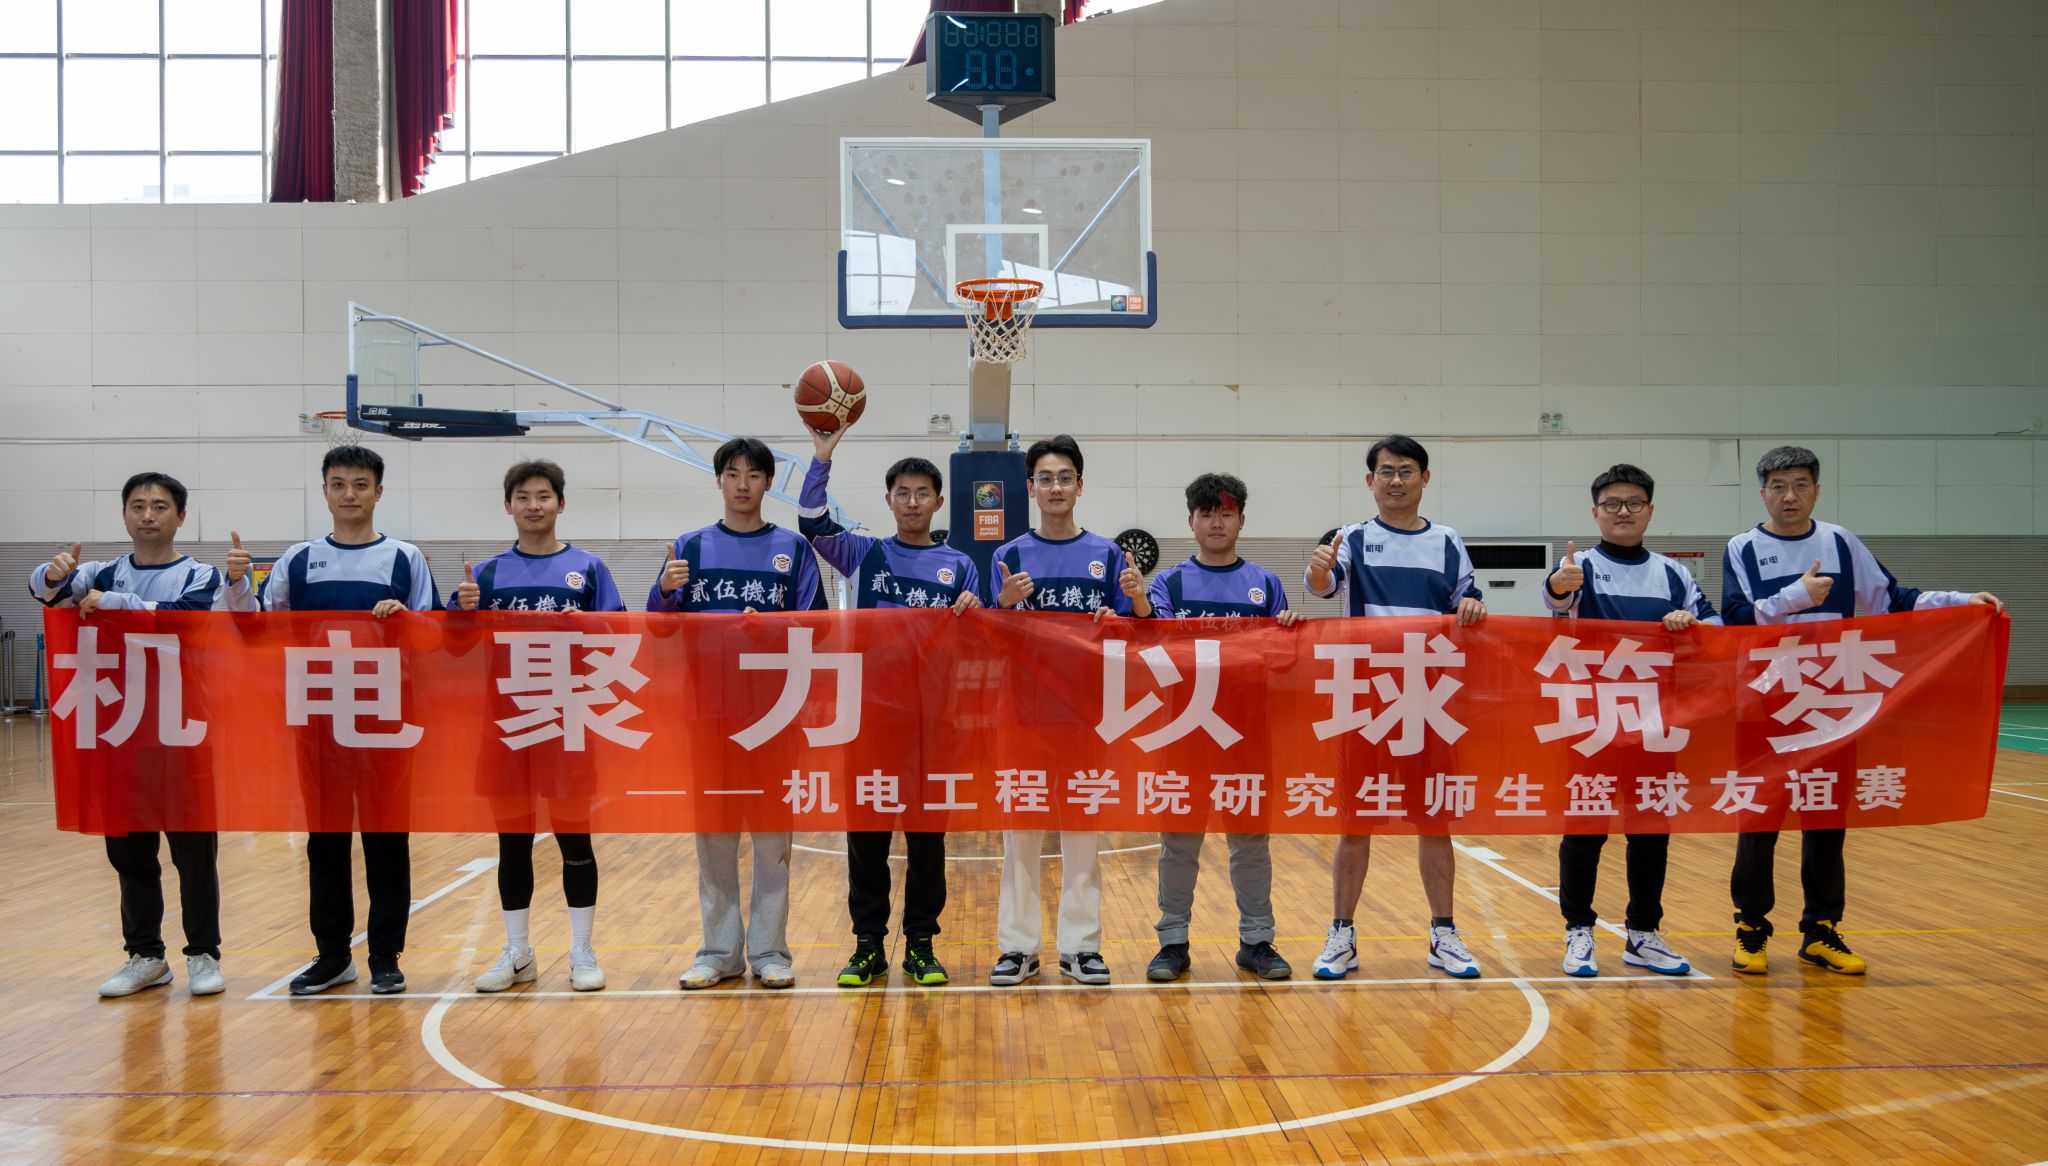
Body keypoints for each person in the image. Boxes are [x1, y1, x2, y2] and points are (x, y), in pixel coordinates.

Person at [1720, 446, 2005, 976]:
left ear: (1816, 490)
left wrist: (1960, 601)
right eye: (1778, 486)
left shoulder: (1841, 541)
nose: (1789, 496)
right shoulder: (1742, 547)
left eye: (1800, 485)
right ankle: (1751, 928)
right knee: (1759, 819)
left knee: (1827, 818)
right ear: (1762, 493)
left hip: (1832, 704)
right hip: (1765, 706)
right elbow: (1736, 619)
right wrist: (1796, 596)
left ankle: (1821, 930)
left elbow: (1891, 599)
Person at [217, 445, 441, 995]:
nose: (349, 494)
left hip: (385, 719)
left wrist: (407, 620)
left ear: (378, 492)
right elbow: (256, 627)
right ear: (324, 492)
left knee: (386, 840)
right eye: (338, 484)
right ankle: (333, 955)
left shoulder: (405, 557)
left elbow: (435, 635)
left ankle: (385, 956)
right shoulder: (298, 559)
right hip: (318, 717)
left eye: (360, 484)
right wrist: (238, 584)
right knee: (326, 841)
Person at [797, 425, 981, 987]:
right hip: (871, 717)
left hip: (934, 722)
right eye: (902, 493)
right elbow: (811, 523)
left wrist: (977, 609)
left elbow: (980, 641)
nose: (912, 502)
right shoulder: (864, 553)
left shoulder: (961, 566)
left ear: (939, 502)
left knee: (927, 839)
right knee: (867, 835)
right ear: (888, 500)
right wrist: (821, 458)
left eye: (922, 493)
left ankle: (921, 944)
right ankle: (868, 945)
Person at [31, 472, 226, 998]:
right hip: (118, 731)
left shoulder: (199, 574)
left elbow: (185, 618)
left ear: (180, 517)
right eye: (137, 505)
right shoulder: (98, 571)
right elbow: (46, 595)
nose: (148, 515)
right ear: (123, 515)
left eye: (160, 506)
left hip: (182, 729)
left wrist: (115, 604)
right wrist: (51, 574)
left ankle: (203, 953)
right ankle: (146, 955)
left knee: (193, 852)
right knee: (129, 851)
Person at [1305, 434, 1487, 980]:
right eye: (1386, 471)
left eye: (1407, 470)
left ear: (1425, 478)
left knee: (1434, 821)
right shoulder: (1353, 538)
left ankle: (1443, 933)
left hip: (1428, 701)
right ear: (1370, 482)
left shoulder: (1448, 541)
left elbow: (1468, 600)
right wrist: (1318, 569)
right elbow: (1322, 588)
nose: (1396, 480)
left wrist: (1473, 605)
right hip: (1364, 702)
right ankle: (1341, 935)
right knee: (1355, 821)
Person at [650, 437, 823, 990]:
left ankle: (770, 952)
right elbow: (658, 629)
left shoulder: (793, 548)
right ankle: (719, 952)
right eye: (732, 473)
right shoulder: (689, 548)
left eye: (753, 474)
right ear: (719, 480)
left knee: (772, 841)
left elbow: (817, 627)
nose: (742, 484)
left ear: (768, 482)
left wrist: (772, 627)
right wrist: (663, 590)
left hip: (774, 715)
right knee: (715, 839)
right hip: (709, 715)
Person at [452, 459, 624, 994]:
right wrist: (459, 609)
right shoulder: (485, 575)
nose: (533, 505)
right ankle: (518, 952)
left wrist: (590, 627)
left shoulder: (589, 568)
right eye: (523, 497)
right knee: (513, 843)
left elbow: (618, 635)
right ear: (508, 506)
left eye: (543, 496)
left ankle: (582, 951)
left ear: (560, 503)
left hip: (568, 722)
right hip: (508, 724)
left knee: (575, 840)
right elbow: (453, 644)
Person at [1543, 463, 1716, 978]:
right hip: (1593, 723)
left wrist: (1691, 623)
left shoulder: (1673, 574)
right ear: (1595, 512)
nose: (1624, 511)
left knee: (1651, 831)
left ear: (1650, 511)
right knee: (1585, 829)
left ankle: (1644, 933)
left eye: (1634, 502)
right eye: (1612, 503)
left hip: (1656, 721)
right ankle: (1578, 930)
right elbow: (1556, 600)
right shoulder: (1578, 566)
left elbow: (1717, 626)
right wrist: (1558, 585)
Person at [984, 434, 1144, 986]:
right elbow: (987, 637)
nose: (1056, 487)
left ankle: (1081, 947)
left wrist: (1121, 613)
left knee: (1082, 834)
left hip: (1085, 715)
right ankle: (1018, 948)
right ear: (1031, 488)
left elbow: (1133, 634)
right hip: (1022, 713)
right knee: (1021, 836)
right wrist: (1002, 606)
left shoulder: (1108, 555)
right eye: (1046, 479)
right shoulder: (1006, 557)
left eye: (1065, 477)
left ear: (1080, 485)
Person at [1143, 473, 1298, 983]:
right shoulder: (1168, 585)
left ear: (1241, 521)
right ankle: (1172, 943)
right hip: (1185, 733)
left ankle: (1257, 940)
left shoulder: (1266, 585)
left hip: (1247, 734)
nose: (1216, 522)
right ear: (1190, 521)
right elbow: (1160, 655)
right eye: (1207, 513)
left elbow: (1281, 664)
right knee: (1179, 842)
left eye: (1226, 513)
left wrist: (1290, 635)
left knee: (1250, 842)